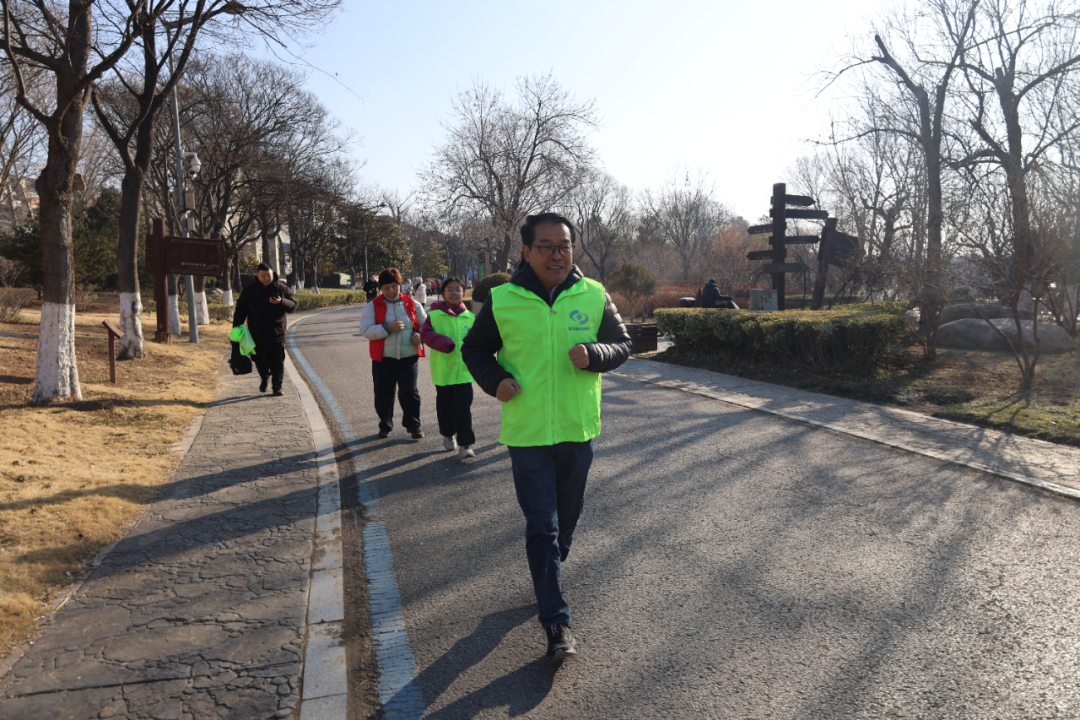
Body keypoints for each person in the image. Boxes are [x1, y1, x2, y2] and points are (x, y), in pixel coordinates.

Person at [462, 212, 632, 662]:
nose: (558, 254)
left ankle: (548, 571)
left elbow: (623, 344)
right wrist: (494, 379)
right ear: (527, 252)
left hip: (577, 428)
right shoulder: (503, 299)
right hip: (528, 433)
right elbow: (474, 348)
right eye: (547, 247)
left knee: (566, 521)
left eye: (565, 246)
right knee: (543, 525)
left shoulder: (593, 293)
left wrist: (596, 352)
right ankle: (556, 622)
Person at [359, 267, 427, 440]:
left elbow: (426, 326)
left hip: (408, 358)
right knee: (383, 394)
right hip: (383, 359)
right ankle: (385, 425)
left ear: (400, 286)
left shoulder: (412, 304)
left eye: (394, 287)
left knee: (409, 392)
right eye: (386, 288)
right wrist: (386, 327)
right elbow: (365, 330)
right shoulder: (373, 306)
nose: (391, 291)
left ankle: (414, 426)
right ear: (380, 288)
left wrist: (421, 336)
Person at [420, 277, 476, 463]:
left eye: (458, 289)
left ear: (463, 293)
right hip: (443, 371)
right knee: (445, 407)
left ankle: (465, 445)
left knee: (463, 407)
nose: (454, 293)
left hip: (464, 372)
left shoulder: (470, 317)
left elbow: (479, 340)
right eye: (449, 289)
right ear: (442, 293)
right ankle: (447, 433)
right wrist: (444, 342)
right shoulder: (434, 315)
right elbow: (425, 334)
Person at [232, 262, 296, 396]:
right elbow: (241, 311)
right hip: (256, 333)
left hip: (277, 333)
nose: (267, 278)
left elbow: (292, 305)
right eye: (263, 276)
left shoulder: (282, 288)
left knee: (277, 362)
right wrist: (236, 329)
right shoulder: (249, 290)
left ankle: (277, 387)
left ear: (272, 274)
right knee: (260, 361)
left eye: (269, 275)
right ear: (257, 275)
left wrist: (281, 302)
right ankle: (264, 377)